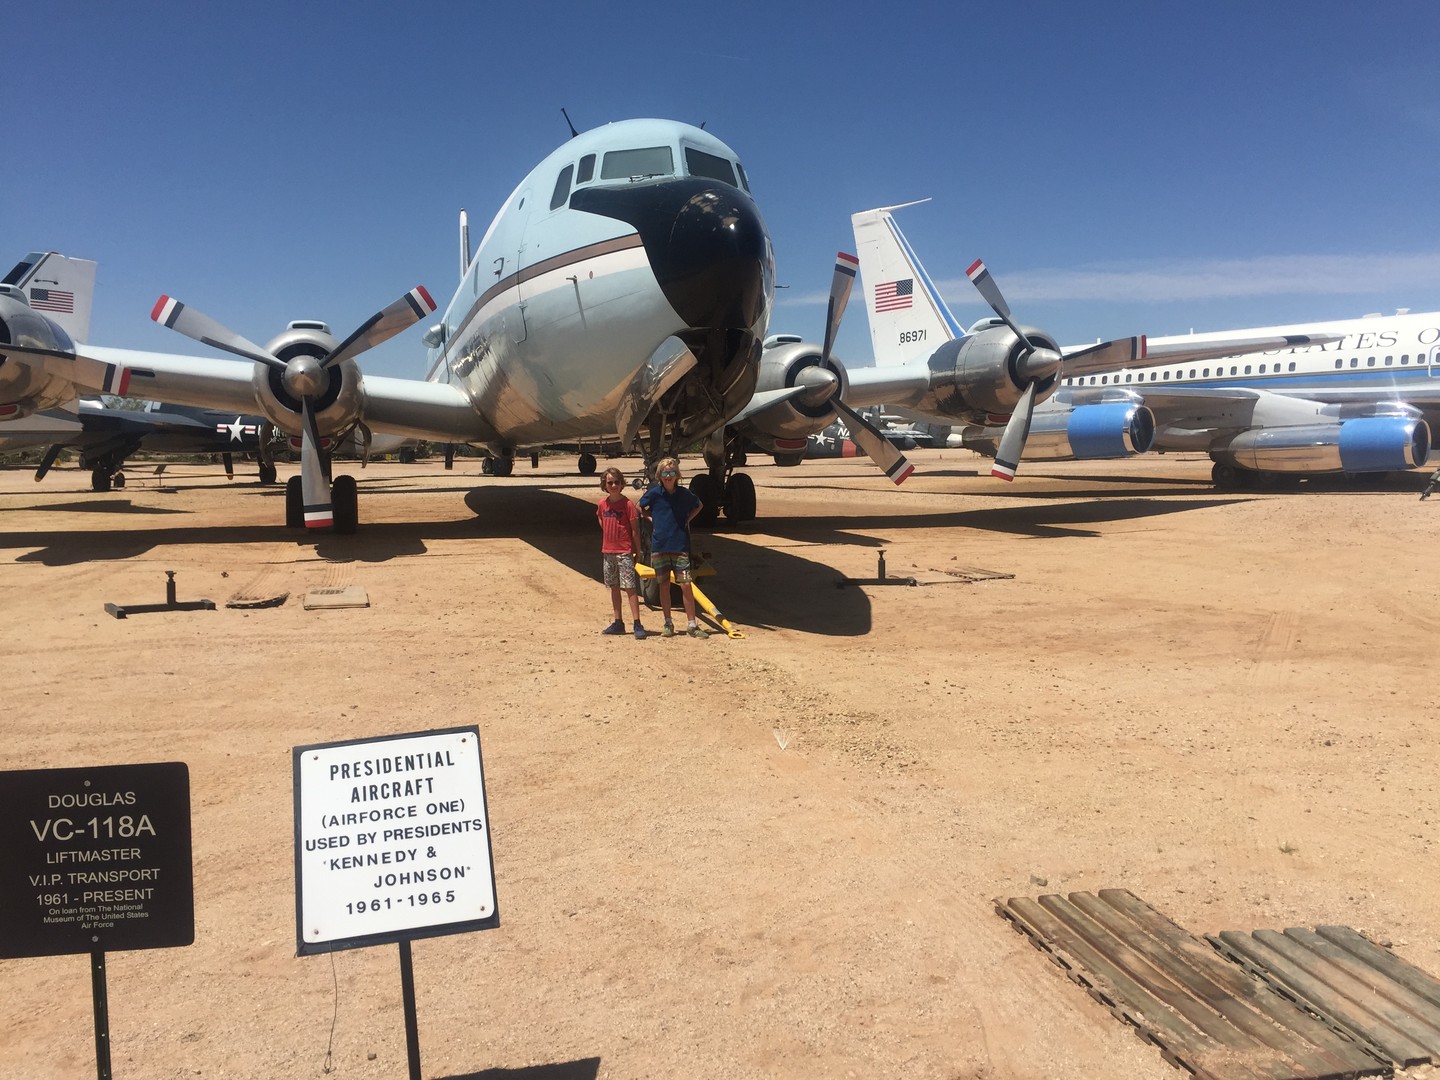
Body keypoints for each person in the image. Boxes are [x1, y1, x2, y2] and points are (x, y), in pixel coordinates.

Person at [638, 457, 710, 638]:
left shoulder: (684, 494)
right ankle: (668, 622)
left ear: (677, 475)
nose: (668, 476)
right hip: (660, 546)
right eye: (665, 473)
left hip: (680, 546)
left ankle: (692, 624)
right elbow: (639, 506)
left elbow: (699, 505)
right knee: (663, 585)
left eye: (671, 473)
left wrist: (687, 519)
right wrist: (650, 519)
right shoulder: (655, 493)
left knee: (686, 584)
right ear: (660, 476)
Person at [596, 467, 646, 640]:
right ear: (605, 485)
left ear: (622, 483)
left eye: (617, 482)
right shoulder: (603, 504)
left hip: (624, 551)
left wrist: (637, 550)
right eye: (610, 482)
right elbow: (600, 517)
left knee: (630, 588)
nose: (614, 485)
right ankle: (618, 622)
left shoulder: (628, 505)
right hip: (608, 551)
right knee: (614, 587)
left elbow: (635, 530)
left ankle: (637, 622)